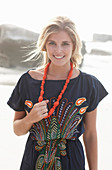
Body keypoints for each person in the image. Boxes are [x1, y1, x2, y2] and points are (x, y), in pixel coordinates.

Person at [7, 16, 108, 170]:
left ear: (74, 46)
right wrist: (31, 118)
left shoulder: (88, 84)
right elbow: (17, 130)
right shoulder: (28, 81)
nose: (58, 50)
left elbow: (90, 134)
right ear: (44, 46)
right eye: (52, 43)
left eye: (65, 44)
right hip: (34, 161)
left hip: (72, 162)